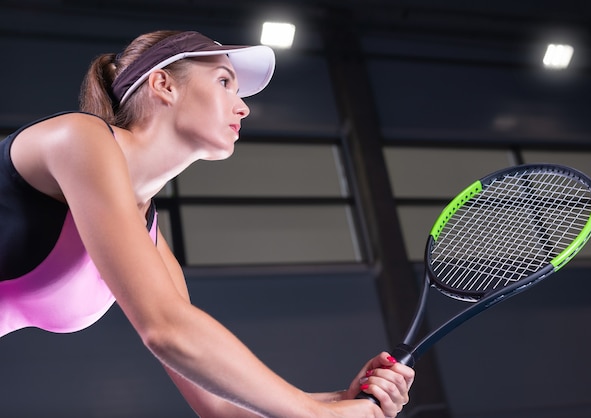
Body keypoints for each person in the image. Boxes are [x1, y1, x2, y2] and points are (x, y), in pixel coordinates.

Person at [0, 30, 414, 417]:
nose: (243, 106)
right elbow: (166, 329)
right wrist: (312, 414)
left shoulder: (147, 238)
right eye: (223, 82)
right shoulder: (78, 137)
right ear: (164, 84)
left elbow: (217, 407)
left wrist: (337, 401)